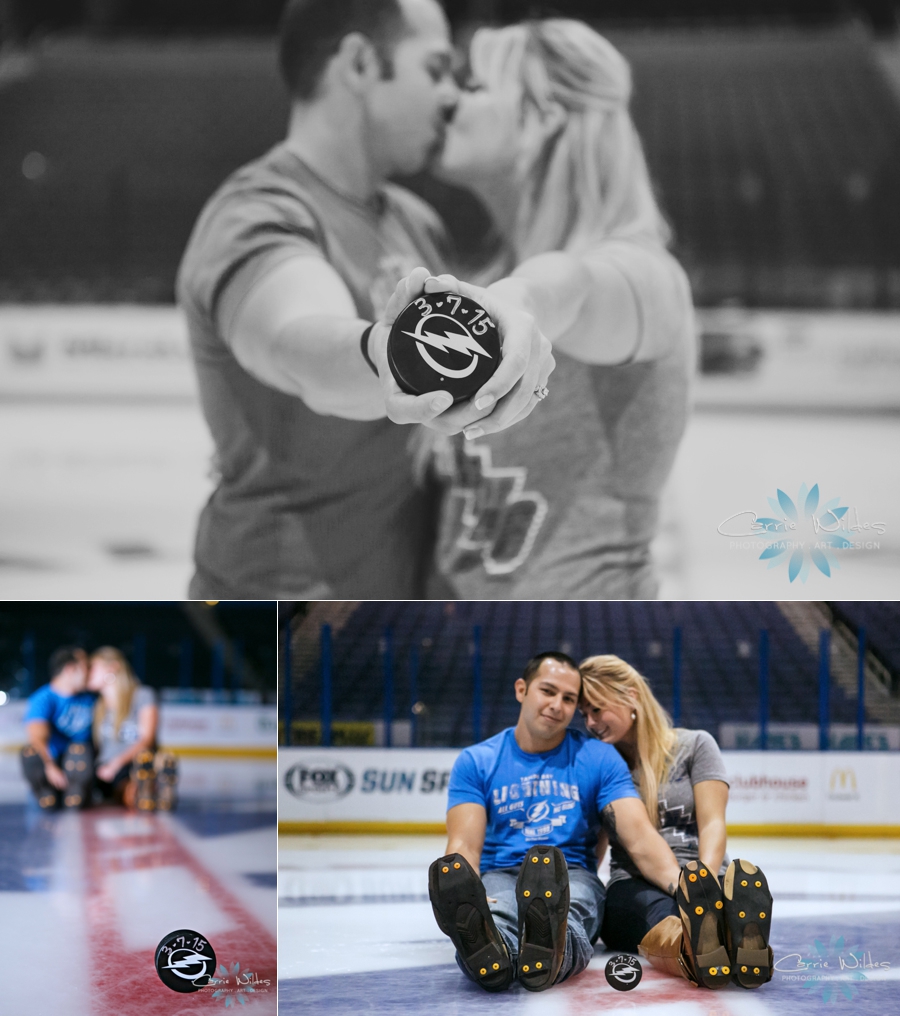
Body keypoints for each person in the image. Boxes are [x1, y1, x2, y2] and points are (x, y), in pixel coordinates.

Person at [177, 0, 553, 600]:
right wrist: (394, 355)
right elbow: (297, 343)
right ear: (357, 64)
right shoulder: (258, 214)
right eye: (434, 70)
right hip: (277, 612)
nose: (449, 96)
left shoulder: (413, 221)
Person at [427, 19, 695, 598]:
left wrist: (521, 301)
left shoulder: (642, 271)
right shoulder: (490, 278)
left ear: (541, 116)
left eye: (474, 86)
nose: (447, 97)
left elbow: (571, 285)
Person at [429, 651, 682, 993]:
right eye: (547, 691)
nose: (557, 705)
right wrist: (467, 888)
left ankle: (544, 951)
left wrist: (682, 886)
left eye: (568, 699)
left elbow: (638, 835)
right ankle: (489, 952)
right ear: (522, 690)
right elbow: (464, 845)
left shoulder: (598, 757)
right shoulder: (477, 761)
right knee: (499, 909)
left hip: (570, 872)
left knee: (570, 911)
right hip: (500, 872)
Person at [579, 654, 773, 990]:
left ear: (631, 695)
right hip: (634, 884)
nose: (591, 723)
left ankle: (715, 930)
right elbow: (593, 846)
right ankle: (717, 942)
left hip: (703, 873)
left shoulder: (695, 745)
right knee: (659, 908)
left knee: (701, 902)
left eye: (597, 709)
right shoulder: (601, 764)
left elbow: (712, 823)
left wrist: (703, 882)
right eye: (584, 714)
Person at [88, 647, 177, 811]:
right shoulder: (98, 706)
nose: (88, 672)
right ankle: (148, 790)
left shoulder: (142, 695)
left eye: (93, 667)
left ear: (112, 667)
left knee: (133, 780)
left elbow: (147, 739)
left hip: (133, 761)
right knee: (116, 791)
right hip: (106, 769)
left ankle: (149, 783)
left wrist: (116, 764)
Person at [20, 646, 96, 809]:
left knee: (79, 751)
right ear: (70, 669)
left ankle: (76, 794)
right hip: (54, 762)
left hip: (81, 764)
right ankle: (46, 793)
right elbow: (37, 736)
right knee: (30, 753)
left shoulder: (90, 698)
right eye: (86, 667)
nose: (90, 672)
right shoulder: (43, 698)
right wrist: (50, 766)